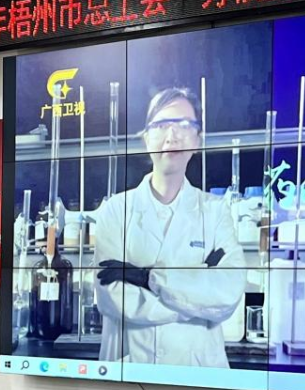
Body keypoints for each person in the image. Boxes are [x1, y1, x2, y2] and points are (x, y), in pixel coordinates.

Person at [94, 87, 246, 368]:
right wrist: (196, 300)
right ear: (146, 138)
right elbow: (112, 297)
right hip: (130, 370)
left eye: (184, 125)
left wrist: (147, 278)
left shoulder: (215, 212)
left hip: (198, 374)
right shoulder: (114, 211)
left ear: (198, 140)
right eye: (162, 124)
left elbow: (227, 293)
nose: (172, 135)